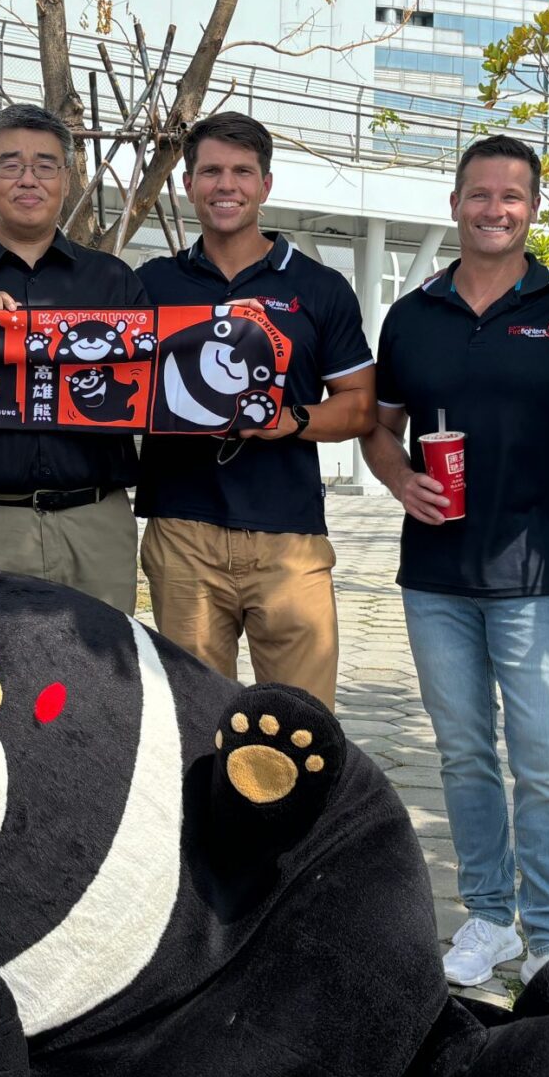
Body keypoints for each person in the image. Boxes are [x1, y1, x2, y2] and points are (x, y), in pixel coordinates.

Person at [361, 135, 549, 989]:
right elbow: (379, 428)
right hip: (437, 573)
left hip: (542, 569)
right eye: (478, 194)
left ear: (533, 207)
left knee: (545, 760)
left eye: (511, 196)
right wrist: (400, 478)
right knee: (463, 753)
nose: (494, 209)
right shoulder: (413, 315)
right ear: (454, 204)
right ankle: (489, 917)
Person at [135, 111, 375, 709]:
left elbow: (360, 406)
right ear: (188, 184)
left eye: (242, 172)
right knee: (193, 721)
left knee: (302, 723)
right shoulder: (150, 285)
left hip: (289, 537)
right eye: (211, 171)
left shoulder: (319, 287)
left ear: (265, 185)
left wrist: (290, 420)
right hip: (182, 531)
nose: (226, 185)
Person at [0, 103, 151, 611]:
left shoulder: (114, 281)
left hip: (96, 523)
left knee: (103, 660)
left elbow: (150, 396)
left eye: (45, 165)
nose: (28, 179)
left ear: (66, 179)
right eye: (10, 164)